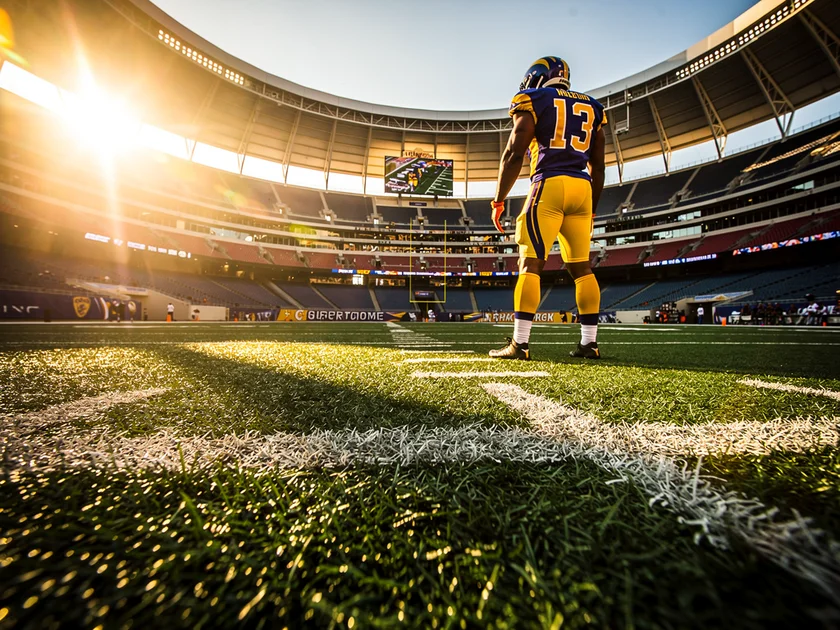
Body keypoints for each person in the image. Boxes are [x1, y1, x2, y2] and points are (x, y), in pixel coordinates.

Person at [488, 57, 606, 361]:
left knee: (530, 264)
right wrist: (592, 207)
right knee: (582, 268)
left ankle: (520, 343)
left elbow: (514, 152)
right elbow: (599, 165)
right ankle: (589, 343)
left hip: (549, 184)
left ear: (537, 78)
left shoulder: (533, 98)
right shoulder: (593, 106)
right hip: (583, 188)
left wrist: (499, 199)